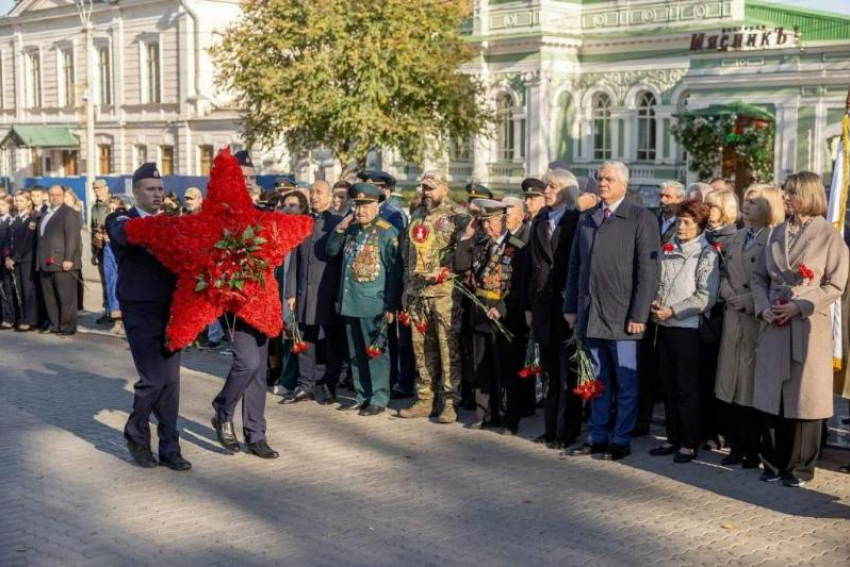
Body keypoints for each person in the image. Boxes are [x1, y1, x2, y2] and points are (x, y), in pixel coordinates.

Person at [751, 171, 849, 487]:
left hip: (808, 325)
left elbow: (836, 283)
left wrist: (800, 305)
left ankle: (800, 468)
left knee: (805, 398)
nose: (785, 196)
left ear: (808, 194)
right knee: (771, 394)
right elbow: (759, 277)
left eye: (791, 191)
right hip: (774, 324)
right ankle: (771, 462)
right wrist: (764, 306)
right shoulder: (776, 232)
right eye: (785, 190)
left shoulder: (828, 235)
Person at [564, 161, 660, 461]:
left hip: (624, 317)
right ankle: (597, 435)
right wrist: (570, 307)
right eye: (599, 178)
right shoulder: (588, 217)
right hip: (592, 314)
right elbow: (575, 265)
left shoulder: (640, 217)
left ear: (623, 184)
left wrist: (639, 314)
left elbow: (649, 270)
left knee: (626, 383)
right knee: (597, 380)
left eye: (608, 179)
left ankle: (621, 439)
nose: (602, 183)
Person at [106, 162, 191, 471]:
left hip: (172, 310)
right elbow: (124, 236)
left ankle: (170, 448)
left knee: (171, 383)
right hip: (139, 309)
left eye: (160, 189)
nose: (158, 195)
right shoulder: (119, 218)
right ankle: (136, 435)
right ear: (136, 192)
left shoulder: (172, 222)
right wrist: (166, 227)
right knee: (153, 379)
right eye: (151, 190)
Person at [210, 150, 281, 459]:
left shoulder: (260, 211)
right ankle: (222, 410)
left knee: (259, 371)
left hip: (264, 301)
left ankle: (256, 434)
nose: (250, 184)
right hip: (235, 304)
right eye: (244, 178)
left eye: (252, 178)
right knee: (247, 363)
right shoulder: (219, 213)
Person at [715, 184, 785, 468]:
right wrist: (727, 291)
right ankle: (737, 445)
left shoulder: (773, 239)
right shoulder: (737, 237)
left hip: (757, 320)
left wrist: (748, 300)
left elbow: (776, 282)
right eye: (745, 200)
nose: (746, 205)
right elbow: (722, 271)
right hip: (733, 318)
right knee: (732, 384)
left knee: (751, 386)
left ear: (769, 206)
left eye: (754, 202)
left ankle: (753, 450)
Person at [649, 200, 719, 463]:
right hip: (664, 326)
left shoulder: (706, 253)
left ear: (699, 225)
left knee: (686, 387)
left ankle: (689, 442)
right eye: (679, 220)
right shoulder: (668, 248)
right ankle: (672, 437)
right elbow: (659, 281)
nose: (681, 226)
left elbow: (706, 296)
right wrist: (656, 302)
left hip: (687, 329)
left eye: (688, 222)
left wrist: (675, 310)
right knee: (667, 385)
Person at [397, 174, 470, 423]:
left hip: (444, 293)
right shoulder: (417, 214)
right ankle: (424, 398)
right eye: (424, 188)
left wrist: (446, 270)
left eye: (431, 188)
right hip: (418, 292)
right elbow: (408, 254)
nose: (427, 192)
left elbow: (465, 253)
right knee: (421, 349)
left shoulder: (458, 215)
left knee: (447, 348)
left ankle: (450, 402)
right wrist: (407, 287)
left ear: (444, 188)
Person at [326, 182, 402, 416]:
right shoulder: (351, 229)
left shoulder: (387, 231)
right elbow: (331, 251)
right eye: (357, 206)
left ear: (377, 205)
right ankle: (362, 394)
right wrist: (340, 228)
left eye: (366, 205)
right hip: (351, 301)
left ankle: (379, 397)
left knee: (376, 352)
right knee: (356, 352)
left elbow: (395, 272)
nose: (360, 211)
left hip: (374, 302)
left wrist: (391, 305)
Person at [455, 199, 526, 434]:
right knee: (482, 367)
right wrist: (467, 235)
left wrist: (502, 307)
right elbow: (461, 265)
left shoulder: (516, 246)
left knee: (506, 369)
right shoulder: (481, 244)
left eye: (491, 221)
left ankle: (510, 418)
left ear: (503, 220)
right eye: (483, 222)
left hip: (503, 316)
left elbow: (519, 286)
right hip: (480, 313)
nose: (486, 227)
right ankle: (485, 414)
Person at [523, 168, 583, 449]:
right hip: (542, 306)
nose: (546, 191)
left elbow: (579, 267)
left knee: (566, 373)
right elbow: (528, 269)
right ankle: (549, 430)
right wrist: (528, 306)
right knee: (549, 373)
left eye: (552, 187)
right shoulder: (539, 221)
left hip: (565, 306)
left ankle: (566, 432)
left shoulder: (577, 221)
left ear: (567, 191)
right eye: (546, 186)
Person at [284, 180, 344, 404]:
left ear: (330, 196)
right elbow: (295, 262)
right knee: (305, 340)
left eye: (318, 192)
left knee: (331, 342)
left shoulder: (338, 223)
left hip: (327, 293)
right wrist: (291, 292)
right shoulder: (303, 223)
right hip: (304, 292)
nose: (314, 196)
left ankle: (330, 385)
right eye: (311, 192)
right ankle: (305, 385)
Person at [700, 189, 740, 448]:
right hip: (701, 314)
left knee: (721, 376)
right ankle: (705, 430)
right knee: (702, 376)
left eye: (712, 206)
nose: (706, 210)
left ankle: (722, 431)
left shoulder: (732, 237)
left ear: (724, 209)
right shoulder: (702, 235)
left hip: (722, 315)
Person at [36, 185, 82, 336]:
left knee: (66, 297)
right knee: (50, 297)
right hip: (45, 262)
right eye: (51, 194)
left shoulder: (69, 213)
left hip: (62, 262)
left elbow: (72, 238)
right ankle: (54, 324)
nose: (54, 197)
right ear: (47, 196)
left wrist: (68, 259)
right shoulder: (45, 213)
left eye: (58, 195)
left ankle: (67, 327)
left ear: (63, 196)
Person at [5, 192, 39, 332]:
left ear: (28, 202)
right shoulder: (16, 218)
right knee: (19, 290)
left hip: (26, 260)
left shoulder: (31, 219)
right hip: (14, 259)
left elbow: (27, 242)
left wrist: (15, 258)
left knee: (28, 290)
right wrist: (7, 256)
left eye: (21, 200)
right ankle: (22, 317)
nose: (17, 203)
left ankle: (30, 320)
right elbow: (9, 240)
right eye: (16, 200)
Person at [90, 179, 112, 324]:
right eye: (95, 189)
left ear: (106, 188)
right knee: (104, 281)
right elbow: (92, 228)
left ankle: (116, 311)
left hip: (111, 246)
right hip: (99, 247)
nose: (98, 191)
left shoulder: (111, 204)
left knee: (113, 280)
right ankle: (107, 310)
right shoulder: (94, 207)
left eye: (100, 188)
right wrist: (94, 252)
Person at [0, 196, 14, 328]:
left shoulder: (10, 221)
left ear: (10, 206)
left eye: (3, 205)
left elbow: (9, 243)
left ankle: (9, 317)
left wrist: (6, 257)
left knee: (7, 290)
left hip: (4, 260)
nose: (0, 207)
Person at [658, 181, 685, 245]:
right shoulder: (652, 220)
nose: (662, 200)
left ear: (680, 200)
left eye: (668, 196)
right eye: (661, 196)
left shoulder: (684, 223)